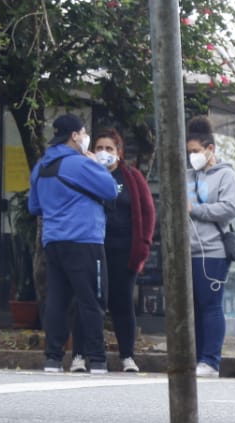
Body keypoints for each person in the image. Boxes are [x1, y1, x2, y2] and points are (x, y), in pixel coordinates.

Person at [29, 114, 119, 374]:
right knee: (92, 300)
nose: (86, 137)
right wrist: (97, 167)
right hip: (85, 239)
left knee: (58, 299)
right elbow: (111, 191)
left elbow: (34, 206)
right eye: (84, 132)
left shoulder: (41, 166)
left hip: (54, 241)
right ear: (75, 135)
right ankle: (97, 359)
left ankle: (53, 358)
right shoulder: (80, 164)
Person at [67, 129, 154, 373]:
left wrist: (143, 247)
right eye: (100, 148)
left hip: (123, 252)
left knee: (122, 304)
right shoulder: (86, 174)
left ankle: (127, 356)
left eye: (110, 149)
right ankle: (80, 355)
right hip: (92, 249)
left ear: (119, 153)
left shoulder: (133, 178)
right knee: (88, 302)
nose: (104, 153)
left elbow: (148, 213)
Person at [185, 115, 235, 378]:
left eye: (196, 151)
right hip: (189, 250)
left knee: (210, 304)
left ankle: (211, 360)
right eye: (189, 152)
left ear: (210, 149)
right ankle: (197, 357)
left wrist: (196, 210)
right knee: (194, 307)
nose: (192, 157)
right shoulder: (187, 175)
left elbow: (230, 208)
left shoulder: (226, 175)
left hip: (213, 251)